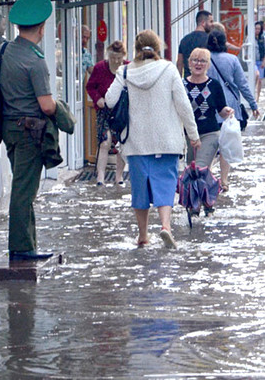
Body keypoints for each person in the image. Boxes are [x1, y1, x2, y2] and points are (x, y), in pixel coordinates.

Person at [106, 30, 201, 249]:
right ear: (158, 48)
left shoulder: (126, 71)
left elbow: (110, 100)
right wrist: (193, 136)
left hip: (136, 142)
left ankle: (142, 236)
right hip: (167, 140)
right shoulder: (168, 69)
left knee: (140, 189)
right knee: (165, 185)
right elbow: (183, 105)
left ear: (136, 49)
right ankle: (166, 227)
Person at [0, 0, 57, 261]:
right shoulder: (36, 61)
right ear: (41, 27)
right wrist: (63, 113)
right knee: (24, 191)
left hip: (8, 130)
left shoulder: (0, 53)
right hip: (29, 132)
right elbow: (46, 105)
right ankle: (22, 249)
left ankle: (27, 244)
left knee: (22, 184)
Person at [206, 30, 260, 192]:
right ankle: (224, 180)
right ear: (225, 43)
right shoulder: (232, 60)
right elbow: (242, 85)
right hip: (228, 108)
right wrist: (254, 104)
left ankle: (206, 175)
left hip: (208, 106)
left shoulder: (204, 60)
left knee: (209, 144)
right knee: (226, 145)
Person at [183, 47, 234, 215]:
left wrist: (227, 111)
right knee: (192, 171)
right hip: (188, 135)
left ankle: (198, 205)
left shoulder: (214, 85)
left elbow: (220, 109)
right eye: (195, 60)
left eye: (202, 61)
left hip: (210, 133)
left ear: (208, 65)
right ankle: (204, 202)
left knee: (201, 167)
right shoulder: (182, 85)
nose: (198, 64)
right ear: (189, 63)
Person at [86, 40, 128, 186]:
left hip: (121, 111)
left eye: (119, 58)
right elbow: (90, 87)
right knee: (105, 142)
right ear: (108, 57)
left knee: (121, 144)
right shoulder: (99, 68)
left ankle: (119, 176)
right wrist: (97, 98)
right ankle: (101, 177)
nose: (116, 62)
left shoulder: (128, 67)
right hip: (104, 111)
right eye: (113, 58)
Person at [176, 10, 214, 78]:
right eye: (211, 21)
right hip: (204, 80)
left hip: (188, 80)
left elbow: (179, 63)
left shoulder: (184, 40)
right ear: (203, 23)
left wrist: (179, 80)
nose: (212, 24)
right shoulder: (209, 39)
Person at [253, 21, 265, 102]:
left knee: (260, 80)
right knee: (257, 75)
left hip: (261, 61)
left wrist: (264, 61)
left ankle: (257, 97)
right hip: (253, 61)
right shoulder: (250, 37)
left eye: (259, 29)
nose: (257, 30)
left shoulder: (263, 38)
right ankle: (253, 93)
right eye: (256, 28)